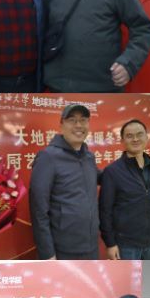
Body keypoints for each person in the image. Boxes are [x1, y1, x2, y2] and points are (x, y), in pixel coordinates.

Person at [30, 103, 100, 260]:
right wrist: (48, 253)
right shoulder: (48, 157)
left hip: (92, 246)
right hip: (63, 250)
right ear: (61, 125)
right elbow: (38, 210)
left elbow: (105, 177)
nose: (78, 125)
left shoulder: (88, 157)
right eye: (72, 120)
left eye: (83, 120)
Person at [98, 119, 150, 260]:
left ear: (146, 137)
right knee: (128, 276)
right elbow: (105, 211)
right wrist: (110, 243)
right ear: (122, 140)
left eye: (139, 134)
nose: (135, 139)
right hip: (126, 245)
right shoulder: (112, 171)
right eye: (129, 136)